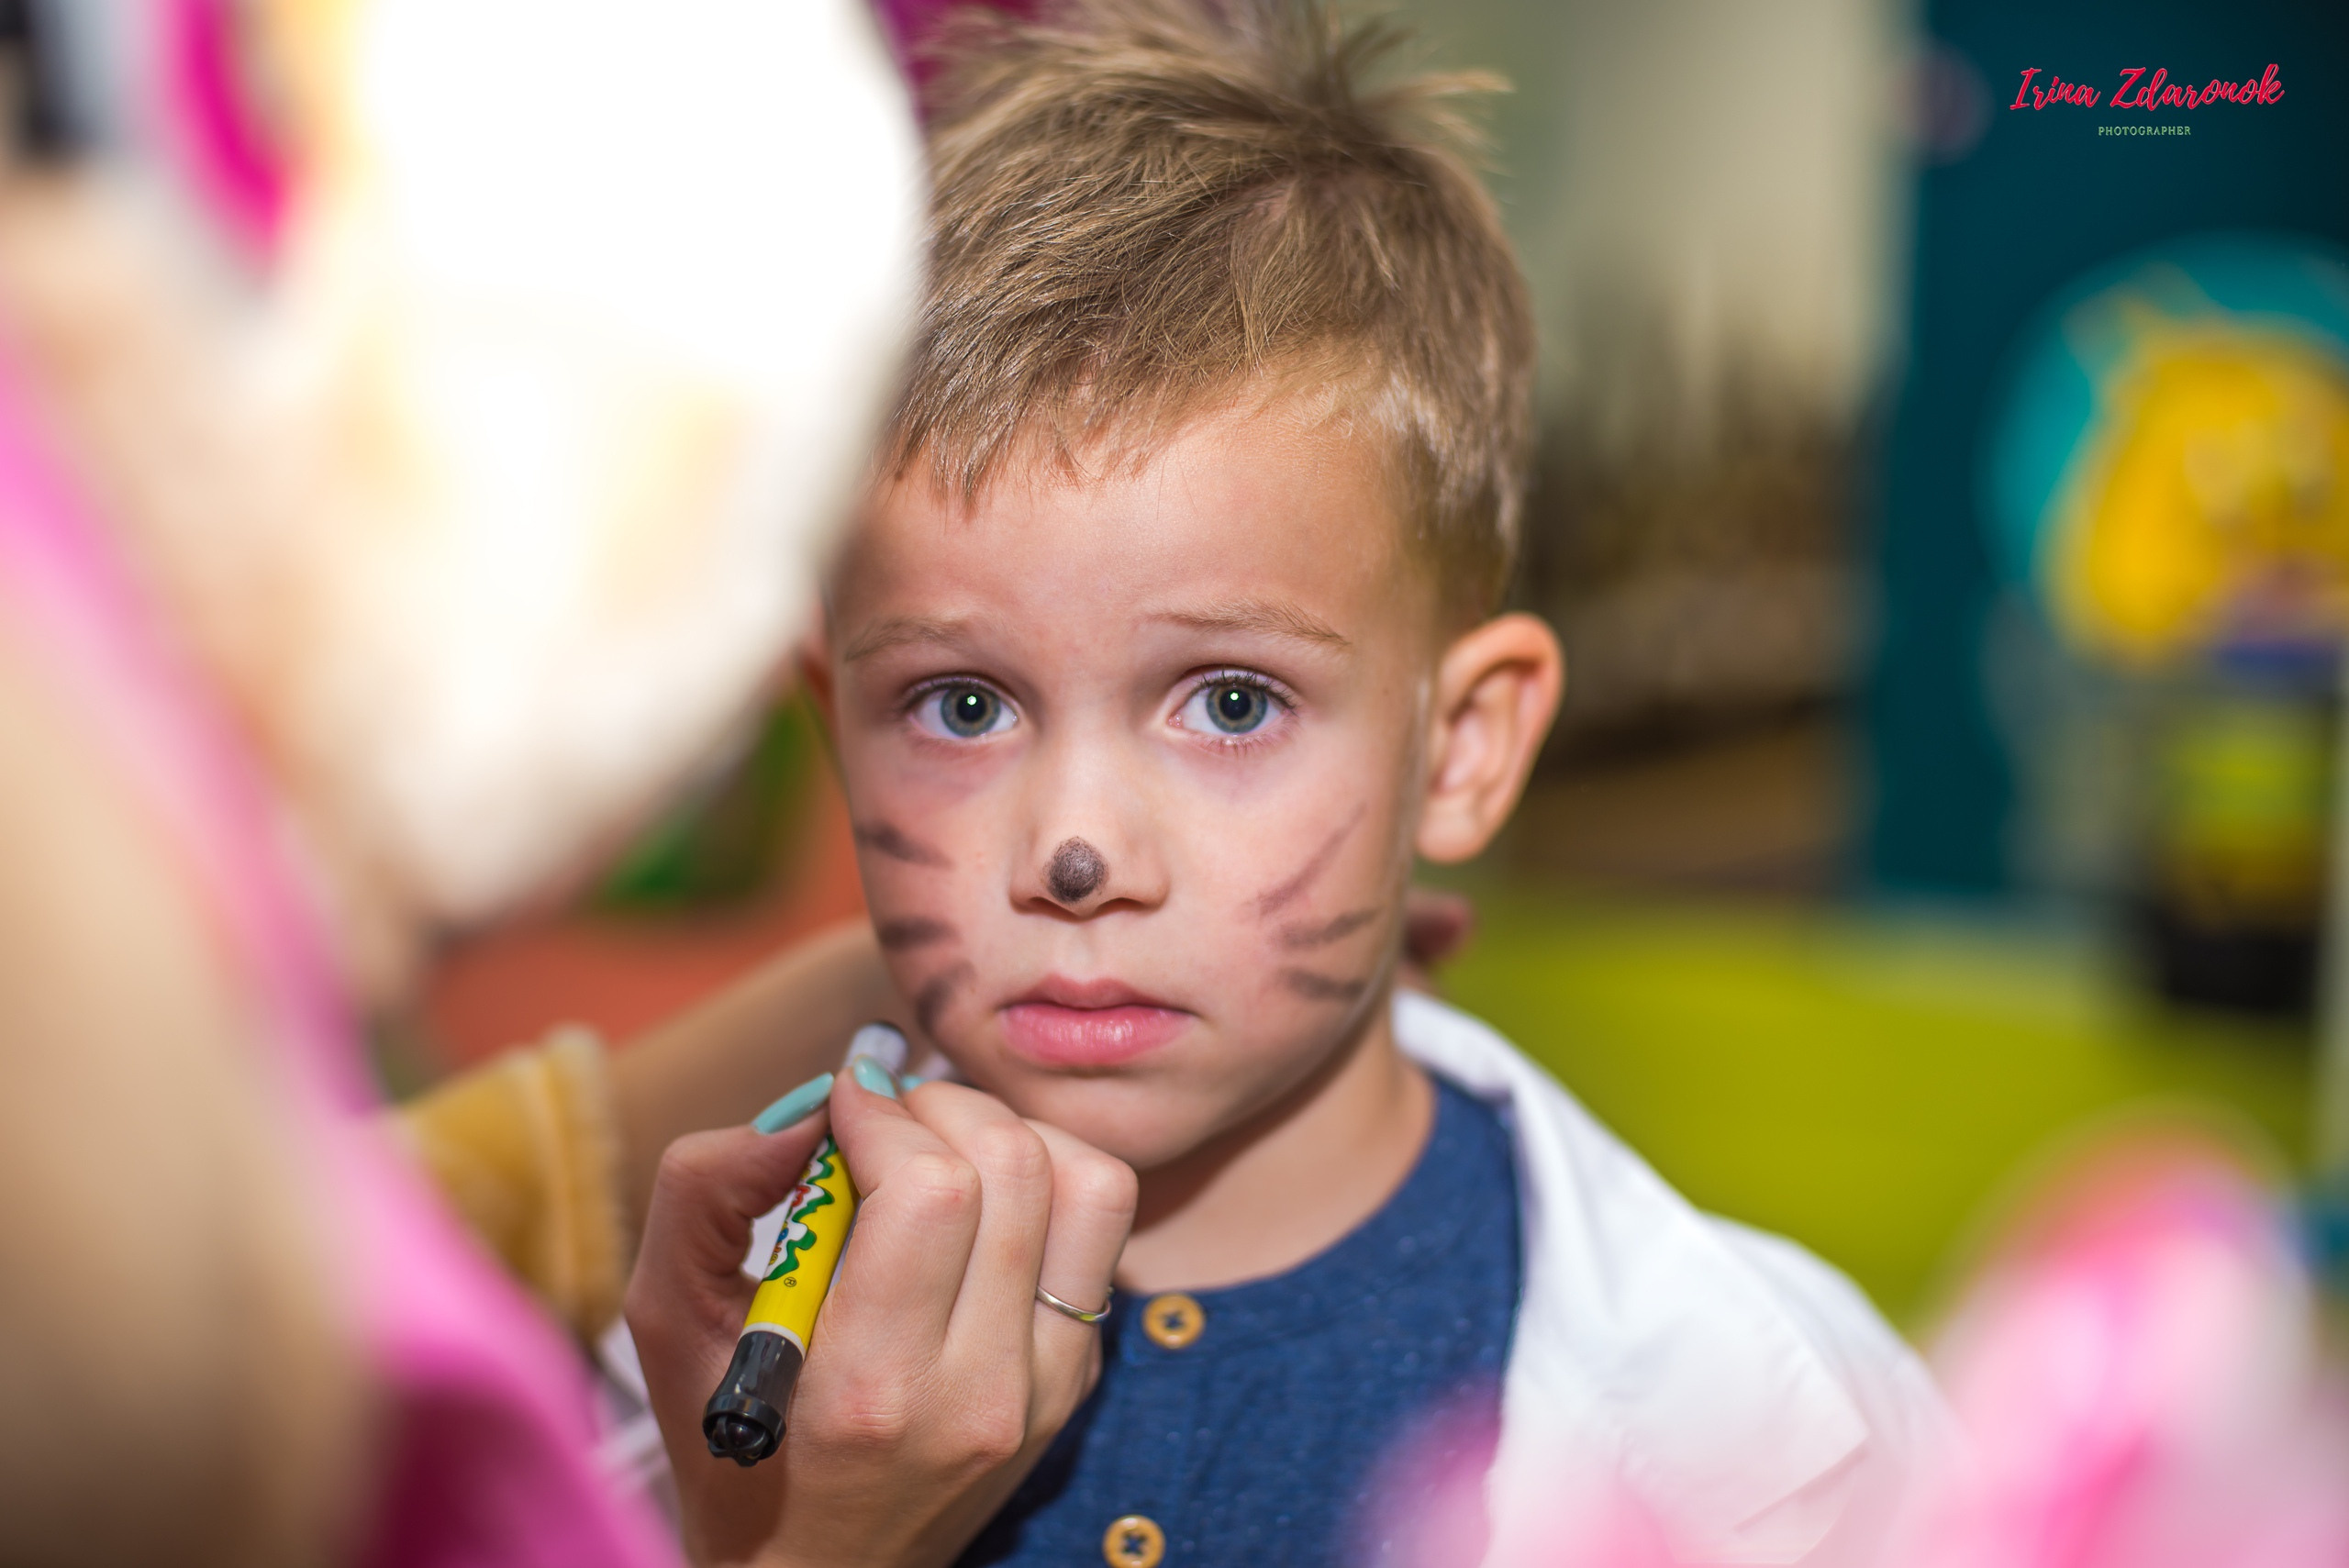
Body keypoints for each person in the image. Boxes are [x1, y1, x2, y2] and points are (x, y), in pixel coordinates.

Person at [620, 3, 1954, 1565]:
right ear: (834, 723)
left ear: (1462, 746)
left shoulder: (1778, 1413)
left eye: (1232, 701)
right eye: (961, 704)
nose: (1074, 849)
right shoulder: (704, 1348)